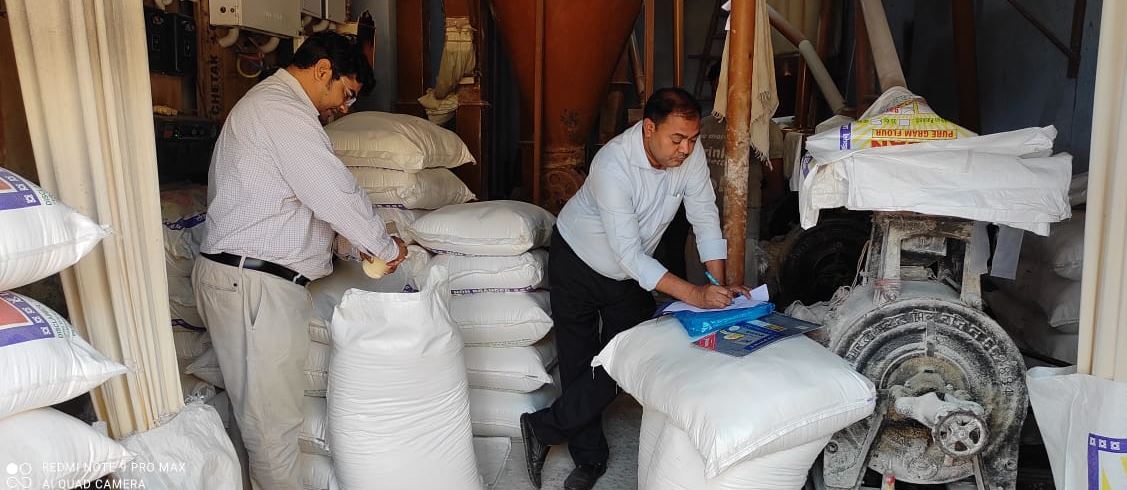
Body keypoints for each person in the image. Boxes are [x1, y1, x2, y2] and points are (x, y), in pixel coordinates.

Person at [192, 31, 407, 490]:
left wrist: (353, 246)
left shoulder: (274, 108)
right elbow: (333, 191)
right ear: (323, 70)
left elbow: (299, 207)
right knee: (273, 431)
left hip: (248, 279)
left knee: (259, 424)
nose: (344, 108)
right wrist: (383, 247)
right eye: (347, 93)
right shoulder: (282, 112)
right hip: (254, 286)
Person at [521, 88, 750, 490]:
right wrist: (694, 295)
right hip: (577, 261)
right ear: (648, 128)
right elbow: (628, 253)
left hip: (631, 274)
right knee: (579, 362)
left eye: (692, 139)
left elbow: (704, 216)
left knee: (628, 359)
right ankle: (589, 460)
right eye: (676, 139)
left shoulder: (689, 155)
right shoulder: (613, 164)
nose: (685, 149)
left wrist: (718, 285)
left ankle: (543, 428)